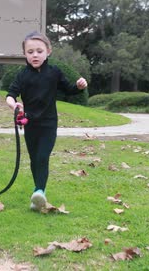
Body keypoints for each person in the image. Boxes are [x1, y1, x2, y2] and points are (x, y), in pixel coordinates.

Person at [6, 31, 88, 211]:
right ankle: (38, 197)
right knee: (35, 160)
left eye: (39, 51)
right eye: (30, 52)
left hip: (49, 124)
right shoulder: (22, 75)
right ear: (25, 54)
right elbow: (10, 95)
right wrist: (15, 106)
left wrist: (79, 86)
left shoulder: (54, 72)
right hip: (30, 124)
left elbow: (69, 90)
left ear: (48, 52)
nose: (35, 55)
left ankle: (39, 191)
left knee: (43, 157)